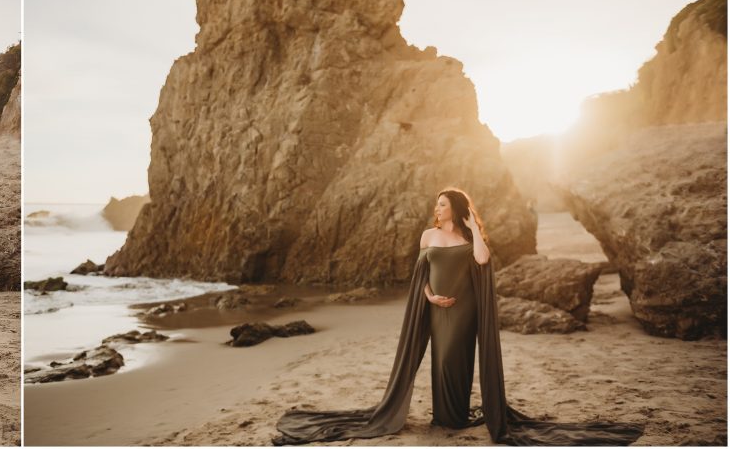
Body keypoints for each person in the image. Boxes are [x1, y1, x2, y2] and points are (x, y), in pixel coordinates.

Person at [272, 187, 644, 445]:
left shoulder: (469, 237)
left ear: (456, 209)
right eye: (437, 206)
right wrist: (431, 298)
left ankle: (455, 417)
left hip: (465, 309)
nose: (437, 210)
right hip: (437, 308)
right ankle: (446, 416)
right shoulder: (427, 236)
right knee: (440, 358)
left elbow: (482, 260)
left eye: (443, 206)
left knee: (458, 358)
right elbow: (419, 278)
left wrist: (472, 228)